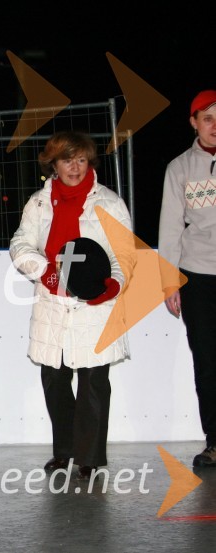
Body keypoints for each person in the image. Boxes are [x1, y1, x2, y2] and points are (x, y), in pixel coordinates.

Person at [9, 130, 134, 481]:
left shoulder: (110, 202)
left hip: (95, 306)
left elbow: (123, 254)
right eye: (67, 160)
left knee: (94, 383)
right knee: (56, 381)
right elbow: (21, 244)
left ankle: (89, 459)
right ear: (54, 163)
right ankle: (63, 452)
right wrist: (44, 273)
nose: (74, 167)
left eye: (81, 159)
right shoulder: (38, 203)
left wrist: (112, 285)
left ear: (89, 161)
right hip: (52, 305)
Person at [158, 89, 216, 468]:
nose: (215, 126)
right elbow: (170, 228)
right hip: (199, 277)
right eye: (208, 118)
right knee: (209, 363)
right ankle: (215, 441)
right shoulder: (179, 168)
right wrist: (169, 280)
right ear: (194, 122)